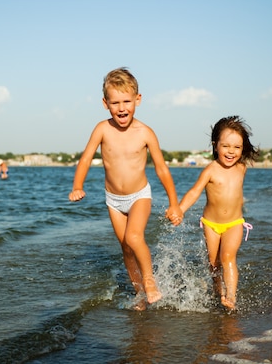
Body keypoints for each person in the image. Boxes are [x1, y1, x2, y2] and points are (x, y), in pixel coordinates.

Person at [69, 67, 183, 309]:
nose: (122, 108)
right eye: (115, 102)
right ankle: (141, 294)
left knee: (133, 237)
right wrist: (77, 185)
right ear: (105, 103)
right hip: (113, 200)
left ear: (138, 100)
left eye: (127, 101)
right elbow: (86, 158)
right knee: (126, 248)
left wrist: (174, 203)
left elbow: (162, 169)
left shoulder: (145, 133)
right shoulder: (102, 129)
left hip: (139, 196)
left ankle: (150, 282)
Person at [173, 116, 259, 311]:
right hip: (211, 224)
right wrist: (180, 209)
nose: (231, 151)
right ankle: (217, 291)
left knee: (228, 256)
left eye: (237, 147)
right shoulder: (210, 170)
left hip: (235, 223)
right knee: (213, 263)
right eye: (226, 146)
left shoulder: (242, 168)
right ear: (215, 145)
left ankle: (230, 297)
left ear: (243, 148)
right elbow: (194, 191)